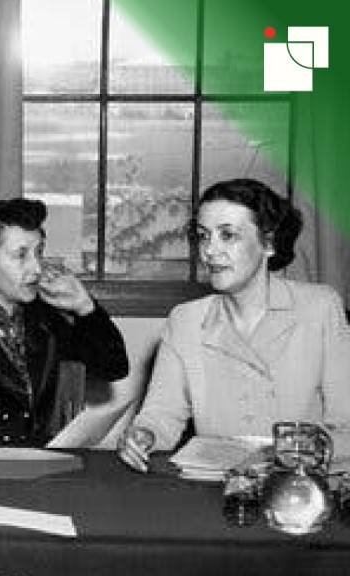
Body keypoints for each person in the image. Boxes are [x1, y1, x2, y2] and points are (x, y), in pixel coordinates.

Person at [118, 179, 350, 472]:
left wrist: (290, 452)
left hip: (303, 489)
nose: (210, 251)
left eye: (228, 236)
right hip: (218, 490)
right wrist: (144, 435)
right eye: (203, 236)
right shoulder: (185, 319)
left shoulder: (320, 308)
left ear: (268, 243)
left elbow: (347, 425)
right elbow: (162, 413)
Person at [0, 198, 129, 446]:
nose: (36, 268)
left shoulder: (47, 323)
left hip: (47, 473)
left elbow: (113, 367)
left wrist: (85, 307)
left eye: (39, 253)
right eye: (21, 255)